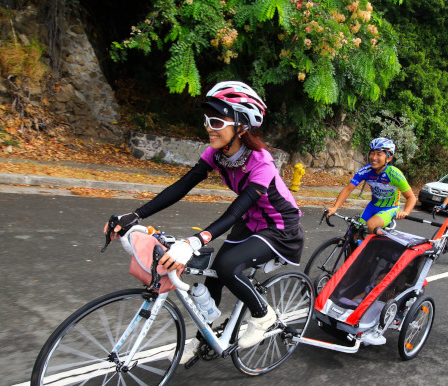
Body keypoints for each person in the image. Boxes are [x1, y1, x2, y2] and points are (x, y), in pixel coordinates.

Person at [105, 80, 304, 356]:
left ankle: (262, 314)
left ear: (241, 126)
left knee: (227, 266)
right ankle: (207, 338)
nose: (209, 127)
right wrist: (135, 214)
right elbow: (181, 186)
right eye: (207, 120)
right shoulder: (217, 153)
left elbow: (235, 210)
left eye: (217, 122)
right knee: (213, 276)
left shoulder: (262, 162)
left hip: (279, 226)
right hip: (250, 221)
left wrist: (194, 242)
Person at [326, 137, 416, 234]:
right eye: (372, 153)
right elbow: (348, 189)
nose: (374, 157)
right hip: (372, 206)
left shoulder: (395, 175)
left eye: (379, 154)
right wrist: (335, 207)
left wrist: (405, 212)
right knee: (354, 232)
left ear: (388, 158)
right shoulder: (366, 171)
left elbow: (411, 197)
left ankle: (383, 244)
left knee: (371, 225)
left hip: (389, 208)